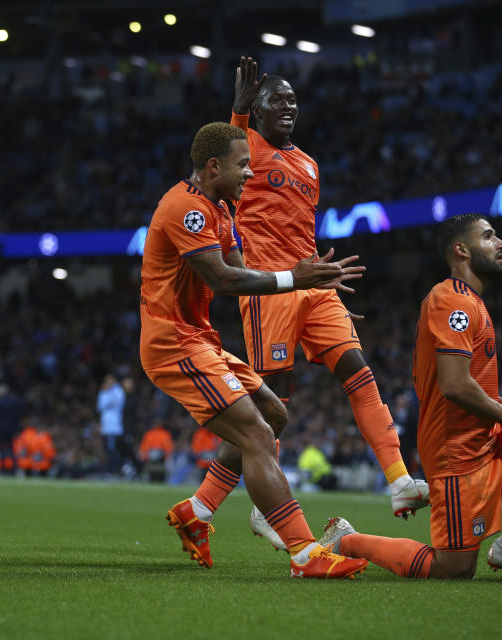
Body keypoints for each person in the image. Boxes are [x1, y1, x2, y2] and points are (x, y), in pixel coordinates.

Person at [212, 58, 429, 554]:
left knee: (360, 371)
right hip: (269, 289)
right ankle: (263, 505)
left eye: (292, 100)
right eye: (277, 100)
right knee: (274, 406)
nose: (287, 106)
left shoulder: (309, 164)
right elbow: (227, 151)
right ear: (259, 109)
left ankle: (399, 480)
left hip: (313, 283)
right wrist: (239, 111)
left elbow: (301, 234)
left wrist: (325, 286)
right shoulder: (250, 151)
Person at [141, 121, 368, 579]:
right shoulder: (185, 208)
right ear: (213, 166)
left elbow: (250, 276)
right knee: (258, 437)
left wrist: (309, 281)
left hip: (199, 340)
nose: (250, 173)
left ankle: (197, 511)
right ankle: (306, 555)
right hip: (173, 344)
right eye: (242, 165)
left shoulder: (222, 211)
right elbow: (222, 280)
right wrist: (294, 278)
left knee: (273, 417)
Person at [318, 213, 502, 580]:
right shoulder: (450, 300)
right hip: (457, 451)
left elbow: (467, 382)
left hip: (489, 432)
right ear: (461, 250)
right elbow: (453, 385)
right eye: (488, 236)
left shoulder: (472, 301)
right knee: (453, 569)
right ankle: (348, 540)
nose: (501, 244)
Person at [96, 373, 126, 476]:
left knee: (112, 450)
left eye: (109, 380)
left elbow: (113, 403)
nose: (107, 382)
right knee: (107, 450)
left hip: (114, 427)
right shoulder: (104, 391)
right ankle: (111, 470)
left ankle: (114, 471)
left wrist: (107, 393)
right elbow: (100, 406)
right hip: (106, 426)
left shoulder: (118, 391)